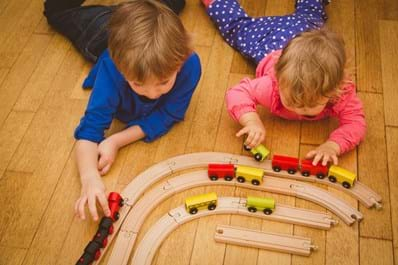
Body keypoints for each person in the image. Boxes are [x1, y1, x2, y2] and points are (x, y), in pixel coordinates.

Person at [44, 0, 201, 221]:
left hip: (134, 24)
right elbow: (89, 132)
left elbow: (168, 115)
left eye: (163, 82)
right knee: (56, 12)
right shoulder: (111, 69)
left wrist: (116, 140)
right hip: (100, 33)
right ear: (120, 69)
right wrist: (89, 177)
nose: (153, 94)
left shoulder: (189, 64)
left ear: (182, 59)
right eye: (137, 84)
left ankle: (132, 8)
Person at [201, 0, 366, 166]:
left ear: (333, 91)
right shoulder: (271, 86)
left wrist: (334, 145)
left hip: (307, 26)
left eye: (311, 104)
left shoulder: (341, 92)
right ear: (278, 79)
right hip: (270, 40)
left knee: (311, 13)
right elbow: (237, 92)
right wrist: (251, 120)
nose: (299, 109)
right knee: (238, 29)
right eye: (291, 100)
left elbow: (355, 123)